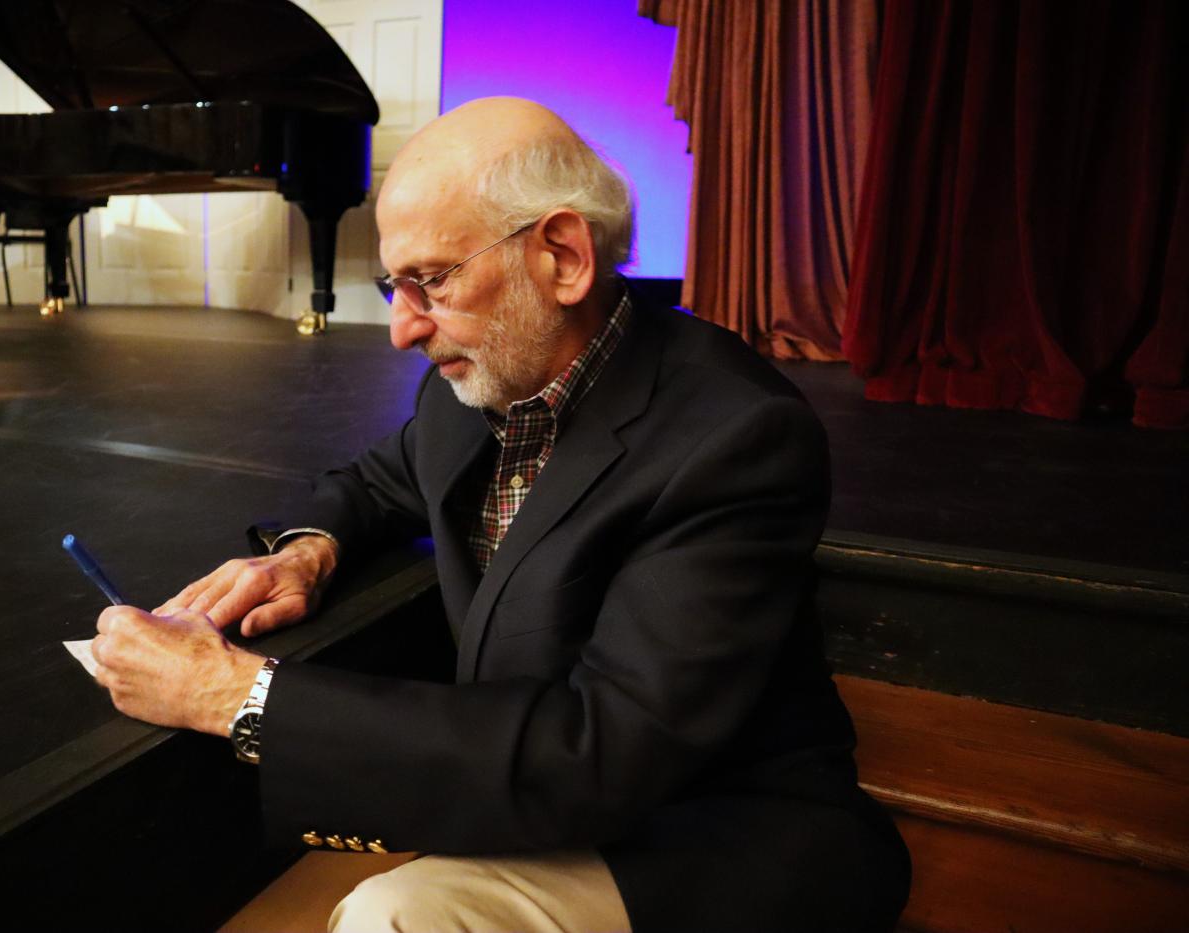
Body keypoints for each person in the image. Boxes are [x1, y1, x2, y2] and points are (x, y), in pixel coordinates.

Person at [91, 97, 912, 932]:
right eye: (393, 285)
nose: (402, 330)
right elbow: (382, 480)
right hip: (544, 802)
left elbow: (601, 752)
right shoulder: (478, 378)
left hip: (707, 832)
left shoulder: (736, 436)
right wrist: (306, 552)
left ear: (562, 256)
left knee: (393, 919)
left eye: (433, 281)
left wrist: (235, 692)